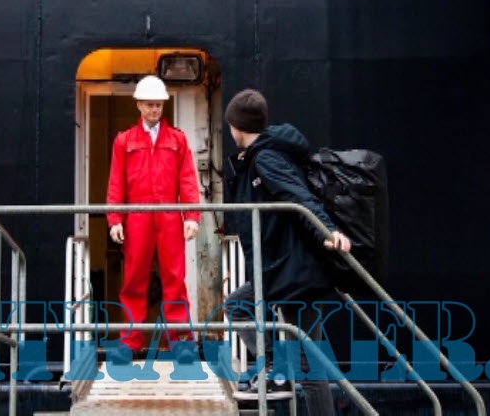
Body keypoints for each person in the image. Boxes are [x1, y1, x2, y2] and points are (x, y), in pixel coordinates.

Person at [222, 88, 352, 416]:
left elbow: (300, 198)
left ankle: (275, 372)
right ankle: (275, 371)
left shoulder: (266, 158)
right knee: (238, 306)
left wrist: (328, 231)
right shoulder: (257, 157)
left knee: (308, 366)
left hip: (294, 273)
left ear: (237, 126)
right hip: (282, 270)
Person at [106, 75, 202, 359]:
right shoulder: (124, 141)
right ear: (138, 105)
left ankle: (181, 341)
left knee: (175, 278)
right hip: (137, 216)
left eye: (158, 104)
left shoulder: (178, 139)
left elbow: (188, 179)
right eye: (149, 104)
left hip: (170, 215)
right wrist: (115, 219)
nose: (154, 109)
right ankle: (130, 341)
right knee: (134, 279)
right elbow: (116, 182)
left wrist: (192, 216)